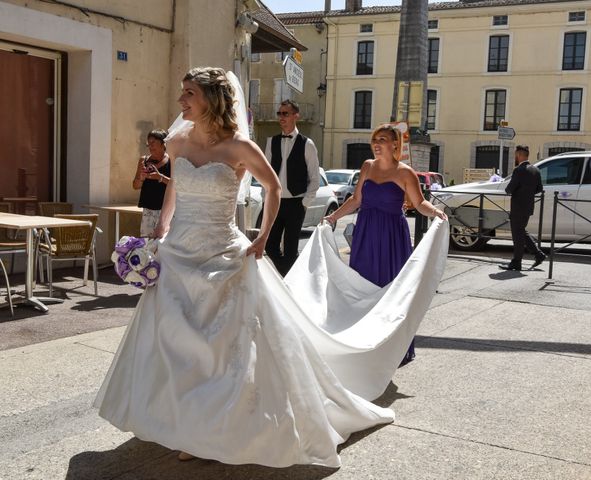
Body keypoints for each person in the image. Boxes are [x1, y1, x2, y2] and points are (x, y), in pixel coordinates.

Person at [94, 67, 396, 468]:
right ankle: (181, 420)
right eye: (182, 92)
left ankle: (215, 431)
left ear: (212, 99)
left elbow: (272, 187)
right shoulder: (178, 140)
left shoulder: (239, 147)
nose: (181, 101)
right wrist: (162, 229)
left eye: (189, 93)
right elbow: (173, 186)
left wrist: (262, 237)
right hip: (179, 253)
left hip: (223, 254)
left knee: (222, 349)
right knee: (173, 343)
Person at [324, 124, 447, 365]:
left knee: (391, 290)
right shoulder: (367, 167)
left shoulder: (405, 173)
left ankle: (390, 347)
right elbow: (356, 199)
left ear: (395, 145)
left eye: (382, 139)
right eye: (374, 139)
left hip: (392, 239)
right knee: (363, 288)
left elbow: (419, 203)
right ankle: (364, 343)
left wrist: (436, 212)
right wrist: (332, 217)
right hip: (365, 236)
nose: (377, 143)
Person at [264, 99, 320, 276]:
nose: (281, 117)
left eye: (285, 113)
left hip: (296, 203)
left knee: (290, 248)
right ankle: (289, 278)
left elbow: (314, 178)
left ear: (296, 116)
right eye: (279, 113)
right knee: (269, 246)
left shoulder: (307, 144)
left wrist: (304, 203)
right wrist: (266, 198)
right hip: (275, 202)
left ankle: (288, 286)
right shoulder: (271, 142)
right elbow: (265, 174)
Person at [500, 145, 545, 271]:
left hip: (518, 207)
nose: (515, 157)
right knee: (521, 232)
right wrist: (527, 194)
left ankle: (517, 262)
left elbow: (510, 189)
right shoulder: (535, 170)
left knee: (517, 235)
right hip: (528, 206)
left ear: (519, 155)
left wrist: (512, 191)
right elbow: (539, 189)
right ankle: (538, 254)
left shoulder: (519, 170)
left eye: (516, 155)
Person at [132, 129, 171, 236]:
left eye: (153, 143)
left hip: (165, 209)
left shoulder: (172, 160)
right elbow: (135, 186)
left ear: (163, 143)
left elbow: (177, 185)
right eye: (148, 144)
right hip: (148, 210)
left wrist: (160, 177)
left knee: (163, 243)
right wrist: (141, 177)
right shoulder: (143, 160)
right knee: (146, 242)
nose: (150, 146)